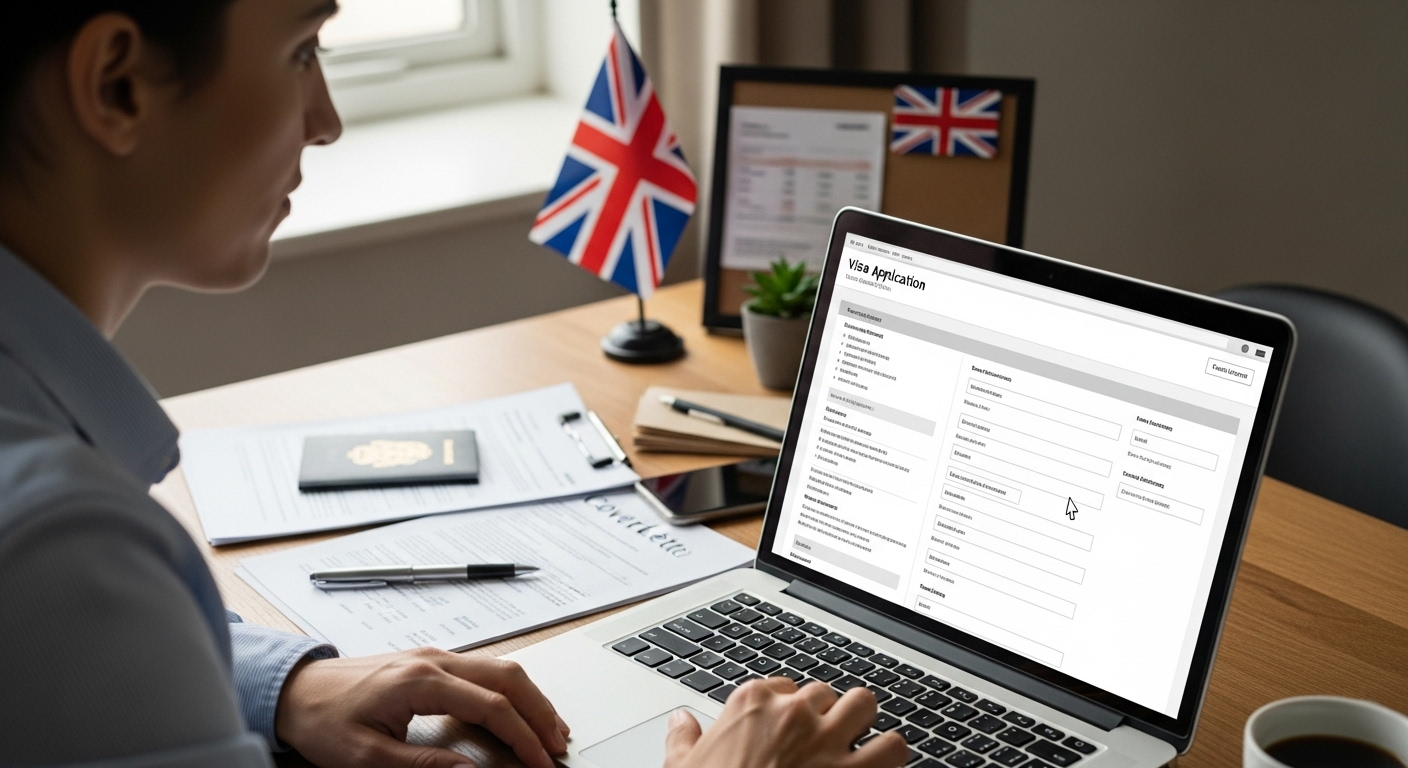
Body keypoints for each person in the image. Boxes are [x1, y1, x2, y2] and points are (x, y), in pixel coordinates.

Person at [0, 2, 911, 767]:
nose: (326, 118)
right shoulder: (58, 547)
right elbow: (64, 606)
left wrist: (280, 684)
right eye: (300, 49)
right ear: (117, 84)